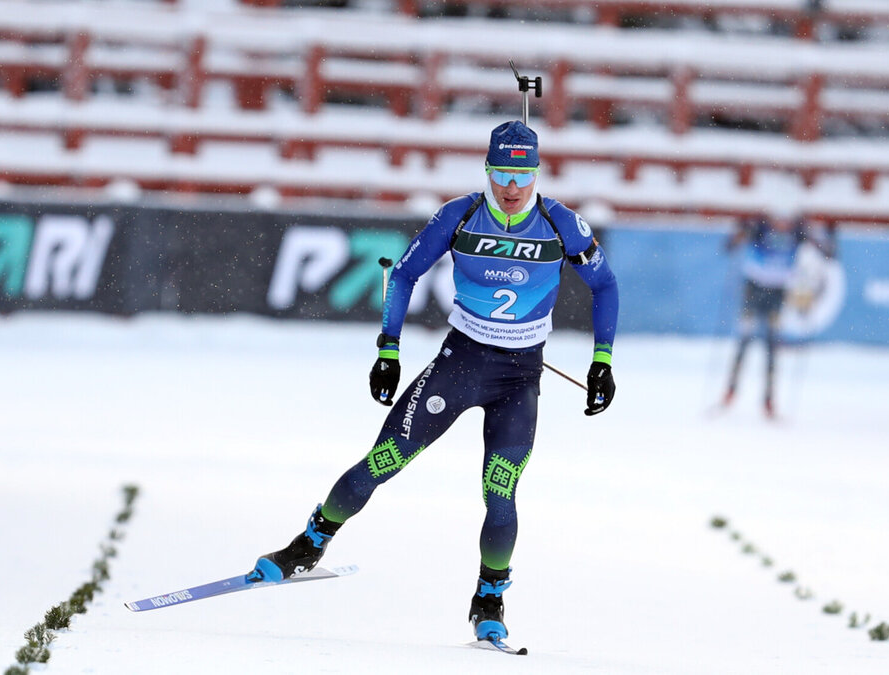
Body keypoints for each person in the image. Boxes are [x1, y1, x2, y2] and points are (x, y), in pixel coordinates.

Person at [247, 120, 619, 644]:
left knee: (501, 493)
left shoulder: (563, 225)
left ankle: (490, 596)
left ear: (536, 173)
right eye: (503, 174)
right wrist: (388, 350)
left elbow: (604, 283)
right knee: (384, 460)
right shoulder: (458, 215)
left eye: (523, 174)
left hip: (519, 378)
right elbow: (402, 274)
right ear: (488, 170)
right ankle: (311, 542)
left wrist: (601, 360)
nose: (512, 188)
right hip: (460, 364)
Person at [721, 207, 833, 417]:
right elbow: (729, 245)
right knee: (745, 339)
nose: (782, 224)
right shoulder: (760, 228)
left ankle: (769, 399)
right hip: (753, 289)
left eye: (786, 219)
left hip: (777, 293)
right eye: (778, 219)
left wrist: (820, 234)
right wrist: (742, 230)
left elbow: (827, 251)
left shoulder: (798, 232)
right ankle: (730, 390)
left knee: (771, 345)